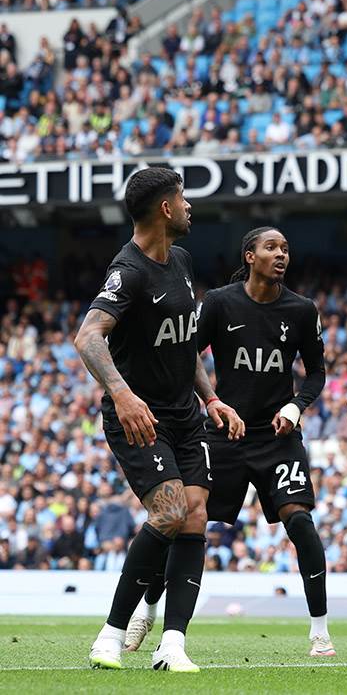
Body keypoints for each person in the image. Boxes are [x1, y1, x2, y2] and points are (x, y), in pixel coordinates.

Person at [126, 227, 330, 656]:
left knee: (300, 521)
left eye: (286, 248)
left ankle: (320, 630)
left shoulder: (301, 309)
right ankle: (147, 607)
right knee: (185, 519)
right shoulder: (219, 302)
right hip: (223, 434)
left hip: (278, 436)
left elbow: (316, 373)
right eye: (272, 247)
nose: (281, 255)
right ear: (250, 255)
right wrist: (206, 403)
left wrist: (296, 406)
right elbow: (186, 356)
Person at [75, 167, 244, 672]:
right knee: (169, 512)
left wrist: (211, 398)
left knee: (194, 515)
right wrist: (122, 395)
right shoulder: (128, 272)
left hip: (185, 414)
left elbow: (183, 342)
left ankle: (173, 644)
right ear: (165, 209)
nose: (190, 206)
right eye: (183, 197)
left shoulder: (183, 261)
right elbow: (88, 337)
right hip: (139, 418)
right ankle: (109, 635)